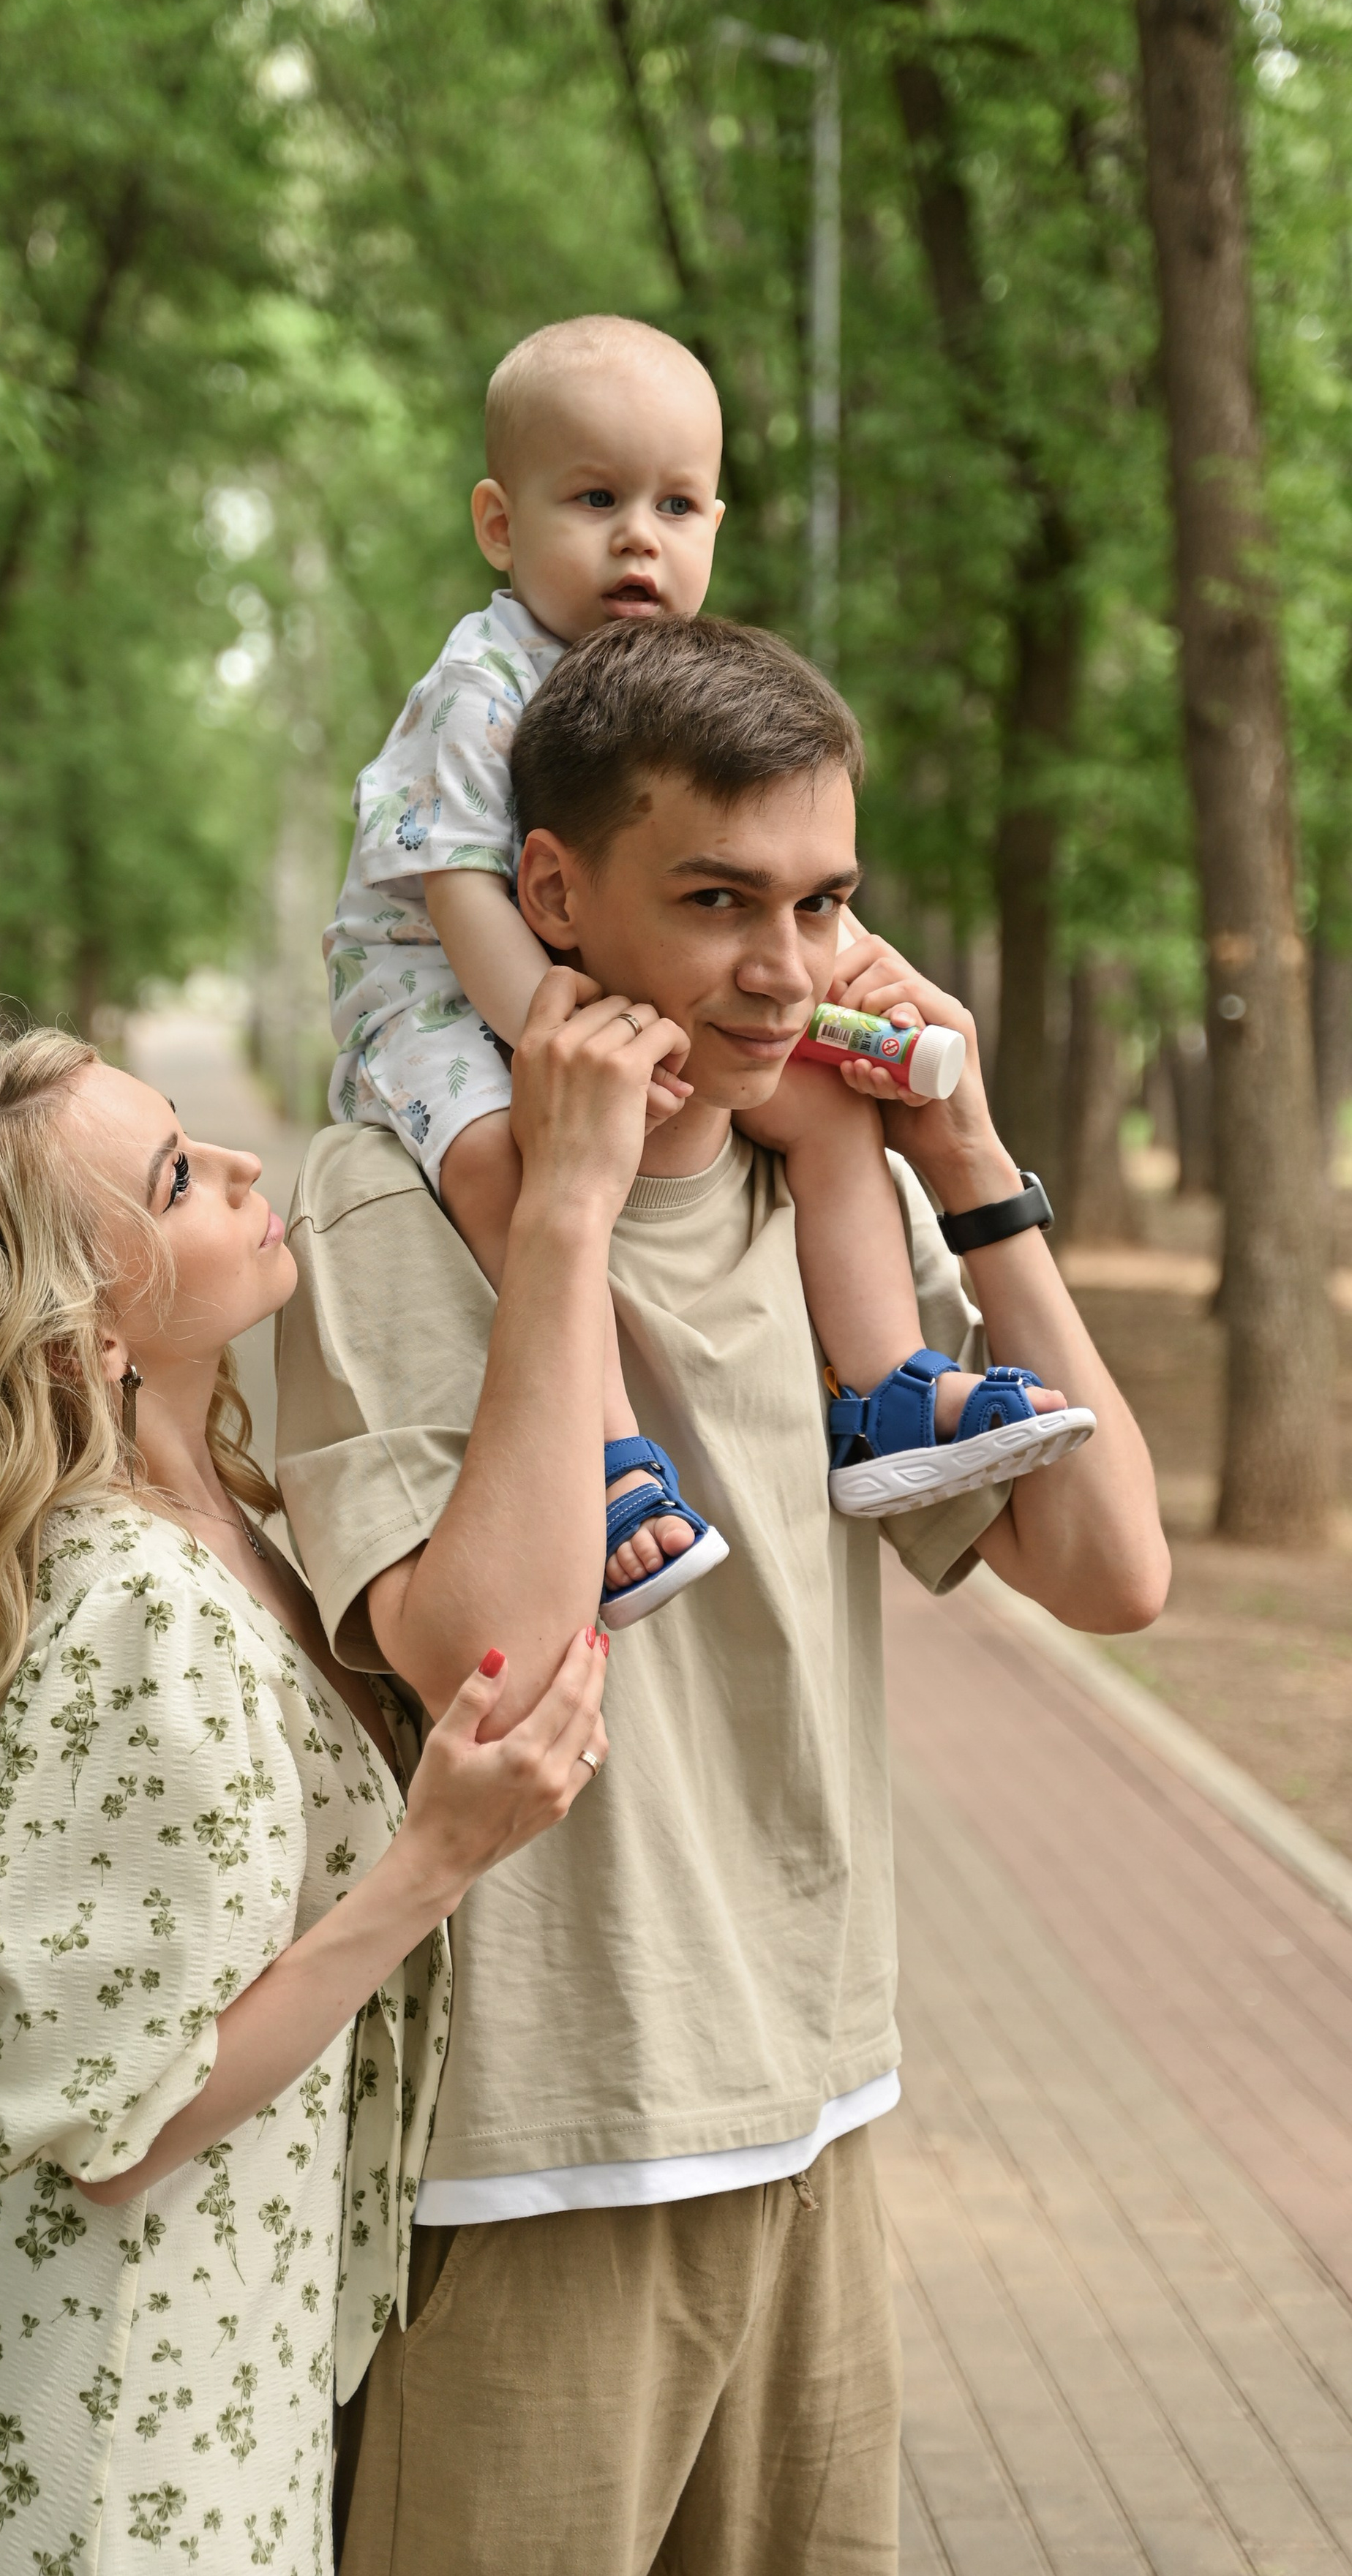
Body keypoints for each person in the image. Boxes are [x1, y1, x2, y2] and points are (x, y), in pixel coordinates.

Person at [278, 611, 1171, 2575]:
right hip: (530, 2163)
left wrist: (978, 1160)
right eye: (717, 900)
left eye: (826, 898)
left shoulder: (818, 1191)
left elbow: (1113, 1569)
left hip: (820, 2109)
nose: (787, 968)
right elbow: (492, 1660)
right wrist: (573, 1213)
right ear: (553, 897)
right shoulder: (383, 1202)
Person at [0, 1029, 612, 2575]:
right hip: (117, 2449)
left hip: (212, 2385)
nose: (245, 1168)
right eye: (176, 1176)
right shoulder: (126, 1599)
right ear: (71, 1334)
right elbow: (118, 2120)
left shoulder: (220, 1519)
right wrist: (433, 1856)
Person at [324, 314, 1092, 1627]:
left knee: (831, 1111)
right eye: (597, 499)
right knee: (510, 1161)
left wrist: (845, 990)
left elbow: (766, 880)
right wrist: (555, 1040)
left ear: (716, 527)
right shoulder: (481, 685)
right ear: (501, 526)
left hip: (611, 997)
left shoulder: (674, 693)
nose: (641, 537)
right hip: (447, 995)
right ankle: (614, 1457)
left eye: (677, 505)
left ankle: (885, 1384)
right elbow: (458, 883)